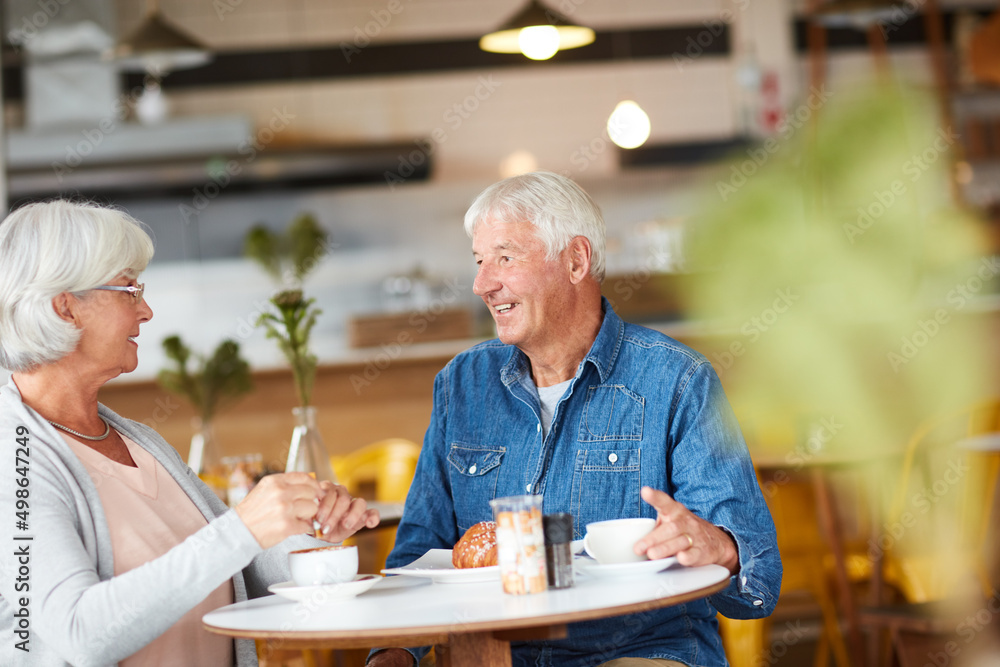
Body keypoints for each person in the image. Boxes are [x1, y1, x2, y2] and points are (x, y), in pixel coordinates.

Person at [369, 172, 781, 667]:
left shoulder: (676, 379)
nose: (482, 283)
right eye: (479, 262)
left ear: (576, 260)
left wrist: (718, 546)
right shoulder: (461, 385)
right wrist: (391, 657)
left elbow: (759, 582)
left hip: (639, 649)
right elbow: (417, 551)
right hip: (490, 655)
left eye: (505, 257)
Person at [0, 200, 380, 666]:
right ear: (66, 308)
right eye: (129, 289)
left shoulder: (139, 440)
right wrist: (244, 528)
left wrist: (312, 540)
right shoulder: (13, 455)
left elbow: (241, 566)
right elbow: (79, 632)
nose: (147, 311)